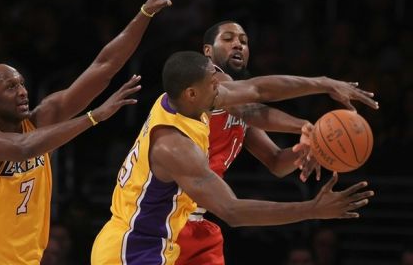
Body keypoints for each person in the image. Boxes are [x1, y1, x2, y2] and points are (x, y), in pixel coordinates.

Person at [0, 0, 173, 265]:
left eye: (22, 84)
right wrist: (94, 116)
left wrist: (144, 13)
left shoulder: (45, 117)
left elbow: (104, 67)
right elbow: (24, 147)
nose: (23, 91)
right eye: (11, 87)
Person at [90, 51, 375, 265]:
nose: (222, 90)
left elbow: (259, 89)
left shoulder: (182, 101)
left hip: (152, 243)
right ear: (192, 93)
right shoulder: (174, 146)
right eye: (214, 85)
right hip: (132, 250)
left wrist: (325, 83)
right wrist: (312, 209)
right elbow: (233, 211)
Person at [175, 20, 376, 265]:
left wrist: (311, 147)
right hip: (163, 214)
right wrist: (317, 96)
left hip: (195, 220)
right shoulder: (204, 81)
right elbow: (254, 105)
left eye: (244, 41)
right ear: (207, 50)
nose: (238, 44)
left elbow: (277, 162)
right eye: (228, 39)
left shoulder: (235, 108)